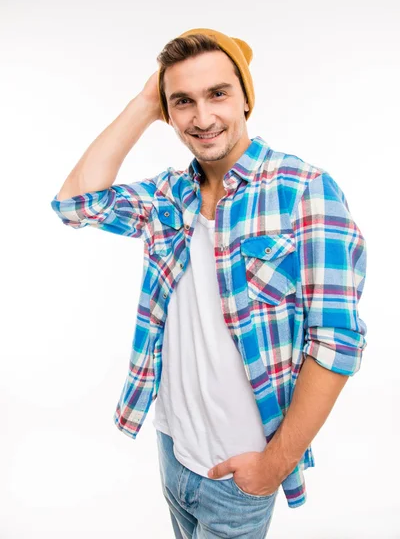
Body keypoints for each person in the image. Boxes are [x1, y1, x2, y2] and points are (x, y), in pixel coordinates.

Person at [50, 28, 368, 538]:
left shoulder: (305, 190)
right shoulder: (171, 196)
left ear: (245, 98)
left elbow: (336, 343)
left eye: (218, 93)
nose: (202, 118)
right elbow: (75, 204)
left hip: (240, 470)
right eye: (182, 102)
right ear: (168, 112)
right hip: (174, 448)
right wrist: (142, 103)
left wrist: (270, 469)